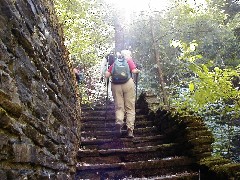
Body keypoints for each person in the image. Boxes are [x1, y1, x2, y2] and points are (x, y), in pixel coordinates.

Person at [105, 50, 140, 138]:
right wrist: (137, 70)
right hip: (128, 84)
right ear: (128, 55)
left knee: (119, 106)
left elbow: (107, 75)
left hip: (116, 86)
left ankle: (119, 122)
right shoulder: (129, 61)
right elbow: (134, 71)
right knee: (130, 107)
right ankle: (129, 130)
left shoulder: (115, 63)